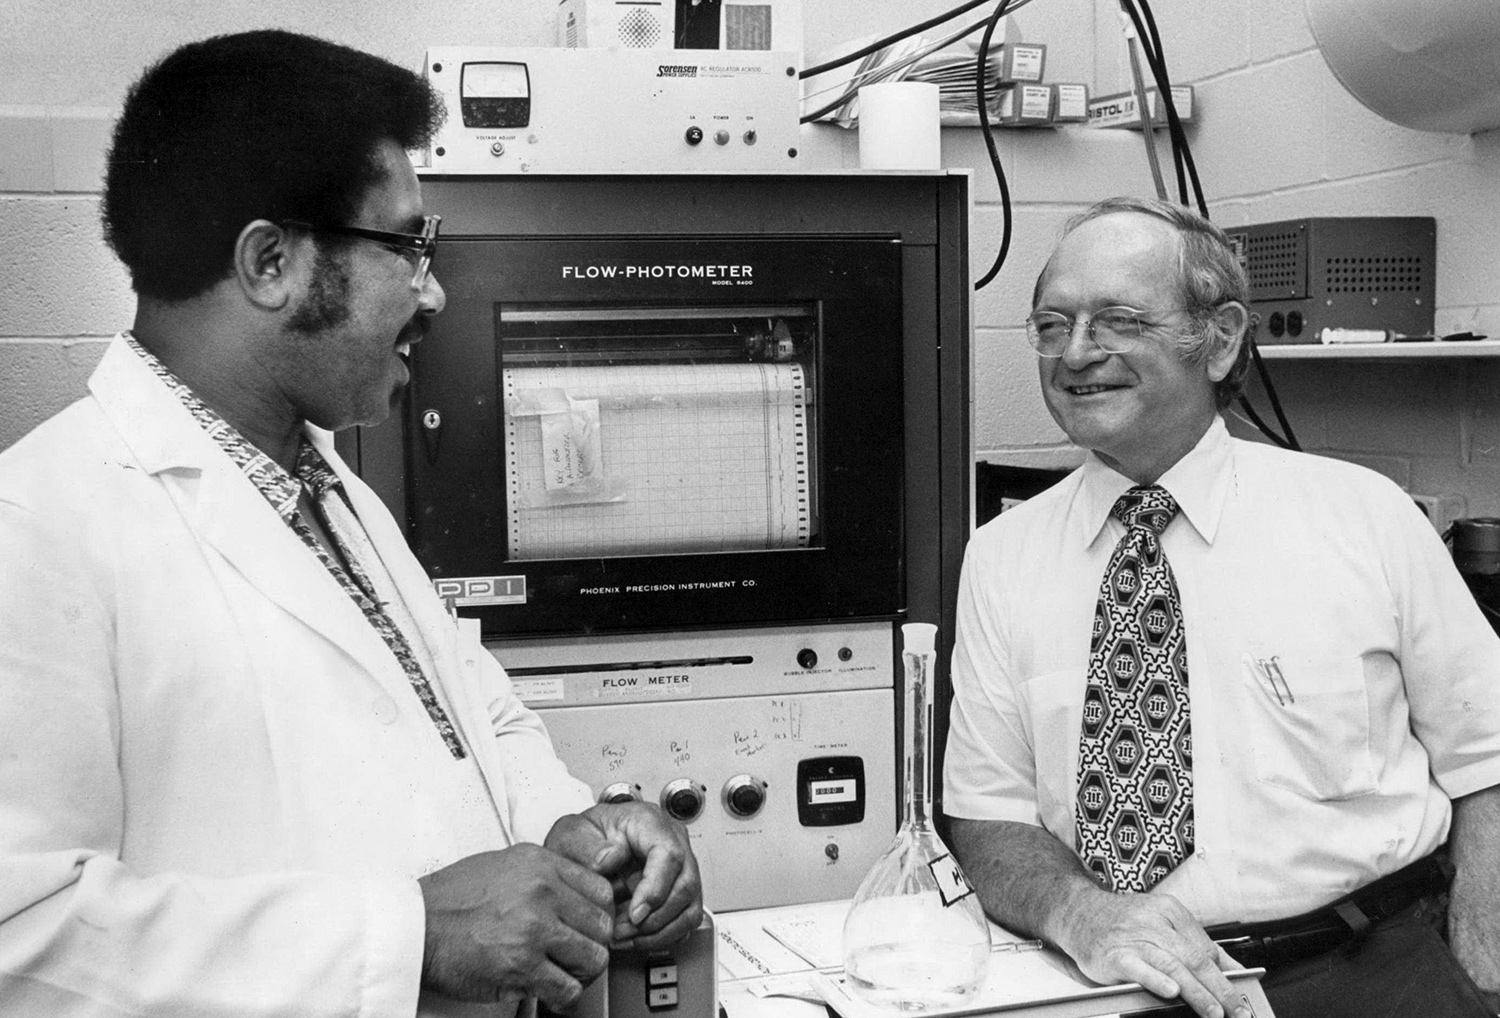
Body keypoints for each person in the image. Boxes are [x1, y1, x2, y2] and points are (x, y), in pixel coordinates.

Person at [0, 29, 701, 1017]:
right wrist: (406, 936)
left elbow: (476, 720)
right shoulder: (37, 527)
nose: (435, 290)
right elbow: (23, 938)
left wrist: (583, 826)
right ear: (271, 262)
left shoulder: (337, 494)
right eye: (408, 246)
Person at [942, 196, 1500, 1018]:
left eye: (1119, 319)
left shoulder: (1365, 516)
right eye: (1052, 325)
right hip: (1121, 987)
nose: (1078, 353)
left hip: (1370, 976)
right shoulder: (1001, 557)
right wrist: (1079, 911)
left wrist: (1483, 954)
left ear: (1222, 338)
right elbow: (987, 819)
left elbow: (1487, 755)